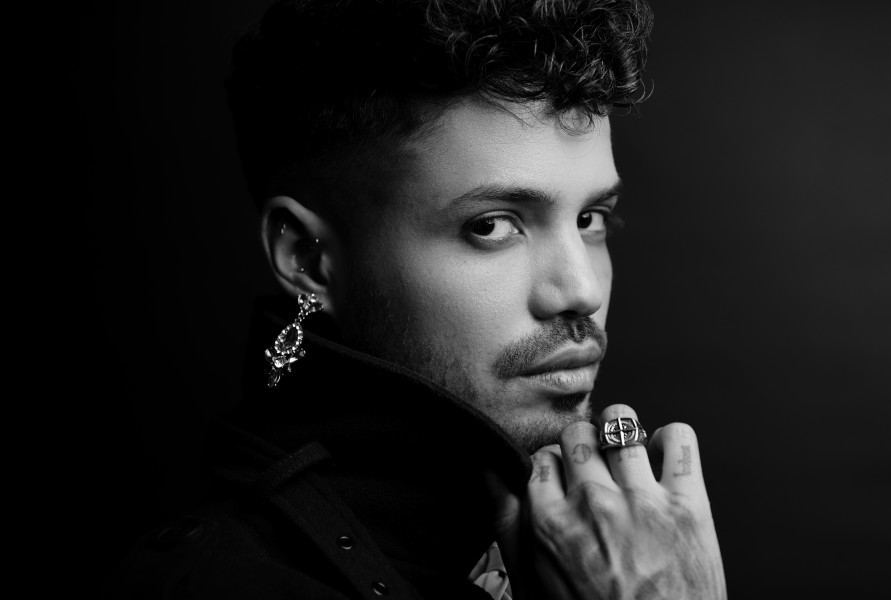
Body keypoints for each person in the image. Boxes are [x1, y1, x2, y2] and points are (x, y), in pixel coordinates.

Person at [114, 0, 726, 598]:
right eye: (491, 225)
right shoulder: (215, 585)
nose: (581, 292)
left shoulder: (580, 548)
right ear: (308, 257)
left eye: (591, 218)